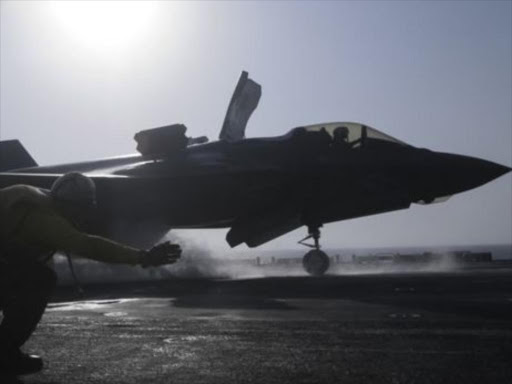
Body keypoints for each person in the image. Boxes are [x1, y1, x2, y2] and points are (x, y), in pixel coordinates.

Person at [0, 172, 182, 376]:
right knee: (40, 280)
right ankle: (4, 353)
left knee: (31, 276)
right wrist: (143, 257)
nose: (82, 216)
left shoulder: (37, 204)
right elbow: (88, 245)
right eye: (82, 209)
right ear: (74, 205)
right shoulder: (45, 219)